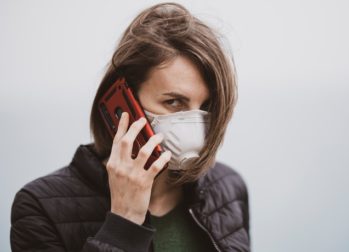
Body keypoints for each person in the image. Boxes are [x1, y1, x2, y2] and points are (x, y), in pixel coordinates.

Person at [10, 3, 250, 252]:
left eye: (206, 106)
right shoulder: (39, 208)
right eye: (174, 102)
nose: (195, 127)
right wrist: (123, 224)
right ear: (125, 103)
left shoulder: (228, 187)